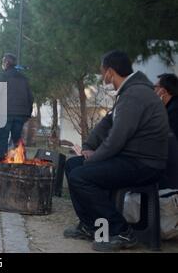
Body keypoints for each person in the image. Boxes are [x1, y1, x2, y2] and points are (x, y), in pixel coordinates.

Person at [64, 50, 169, 252]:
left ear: (111, 72)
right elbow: (106, 124)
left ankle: (120, 231)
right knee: (72, 165)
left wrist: (92, 160)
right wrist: (87, 147)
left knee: (81, 176)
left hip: (145, 164)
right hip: (131, 159)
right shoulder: (129, 93)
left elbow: (116, 141)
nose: (102, 77)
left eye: (103, 72)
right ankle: (92, 227)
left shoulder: (135, 94)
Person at [0, 53, 33, 160]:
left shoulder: (3, 76)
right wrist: (28, 113)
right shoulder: (24, 78)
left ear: (6, 63)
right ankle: (20, 161)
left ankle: (2, 162)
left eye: (3, 61)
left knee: (3, 139)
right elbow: (30, 97)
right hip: (20, 114)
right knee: (17, 139)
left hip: (5, 113)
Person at [155, 73, 178, 139]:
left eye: (155, 87)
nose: (154, 90)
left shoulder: (173, 111)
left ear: (163, 91)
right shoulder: (172, 106)